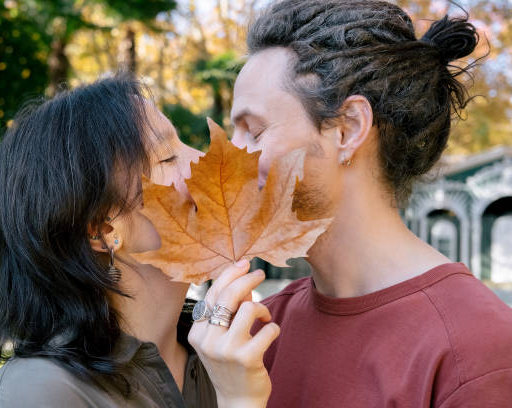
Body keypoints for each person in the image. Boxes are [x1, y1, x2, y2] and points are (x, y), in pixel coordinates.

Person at [190, 1, 512, 407]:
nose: (228, 157)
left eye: (253, 131)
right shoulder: (253, 337)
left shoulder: (477, 354)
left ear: (348, 129)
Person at [0, 75, 225, 407]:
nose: (204, 157)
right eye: (168, 157)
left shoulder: (227, 352)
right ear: (103, 231)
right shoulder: (41, 391)